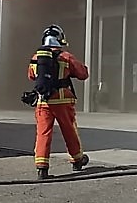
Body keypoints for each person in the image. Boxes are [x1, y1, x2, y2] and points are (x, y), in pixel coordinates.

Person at [27, 24, 90, 180]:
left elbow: (31, 76)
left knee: (43, 133)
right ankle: (77, 160)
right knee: (69, 130)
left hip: (43, 101)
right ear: (59, 39)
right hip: (63, 100)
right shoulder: (66, 56)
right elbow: (83, 74)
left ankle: (42, 168)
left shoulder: (36, 57)